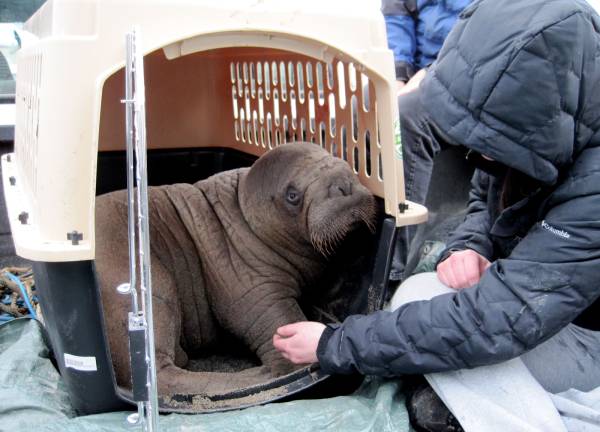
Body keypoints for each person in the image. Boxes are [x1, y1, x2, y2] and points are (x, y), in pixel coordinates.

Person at [273, 0, 600, 430]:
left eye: (486, 139)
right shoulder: (534, 136)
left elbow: (498, 320)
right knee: (420, 292)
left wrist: (335, 344)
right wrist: (469, 245)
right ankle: (471, 397)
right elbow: (487, 199)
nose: (472, 153)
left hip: (581, 333)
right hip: (536, 302)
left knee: (458, 336)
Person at [382, 0, 472, 283]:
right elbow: (398, 20)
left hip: (468, 72)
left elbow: (487, 29)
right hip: (420, 75)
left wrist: (432, 72)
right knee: (365, 106)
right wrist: (396, 78)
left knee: (404, 120)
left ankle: (390, 271)